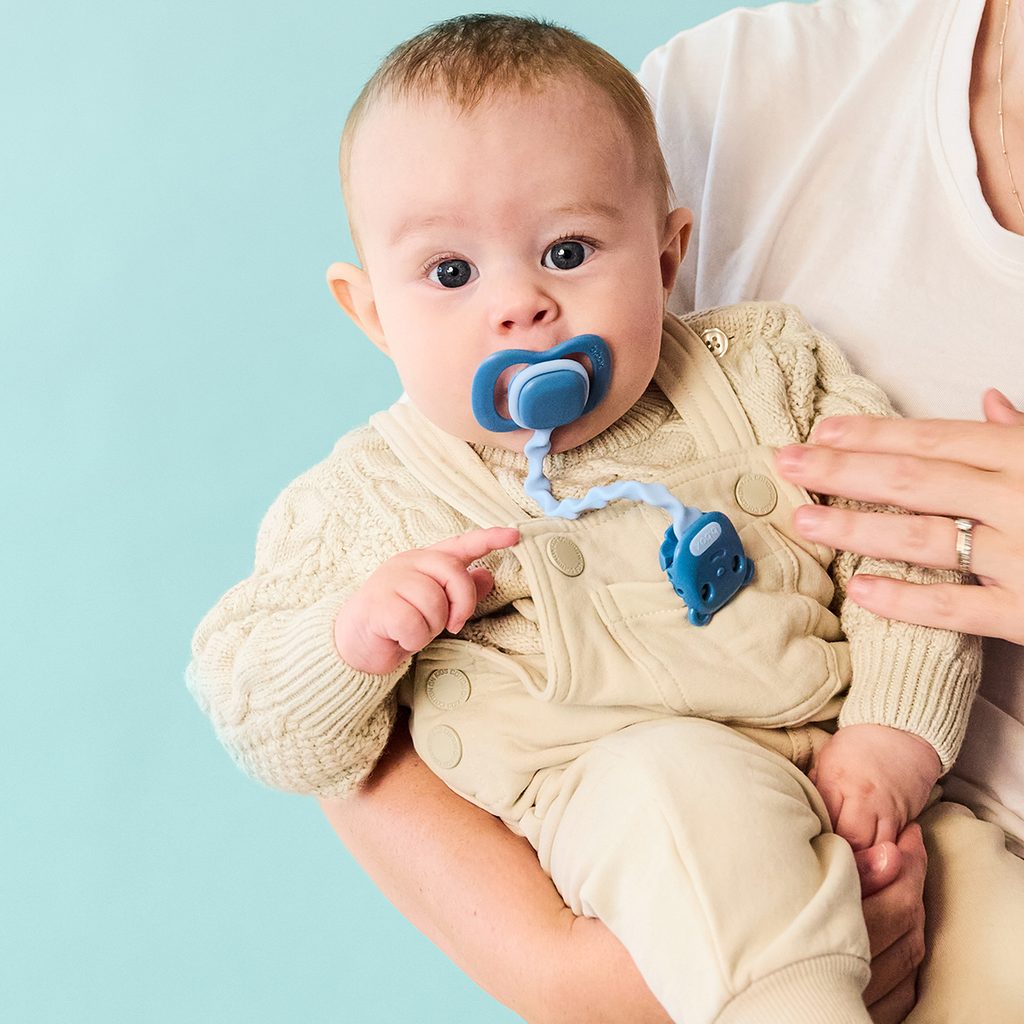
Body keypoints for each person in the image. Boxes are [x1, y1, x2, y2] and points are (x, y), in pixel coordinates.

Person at [186, 12, 1016, 1023]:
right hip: (637, 842)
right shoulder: (367, 499)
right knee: (682, 791)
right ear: (371, 312)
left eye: (568, 250)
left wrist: (892, 738)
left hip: (875, 807)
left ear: (666, 257)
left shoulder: (769, 374)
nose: (520, 305)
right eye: (451, 273)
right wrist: (346, 645)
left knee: (997, 923)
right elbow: (262, 718)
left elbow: (912, 553)